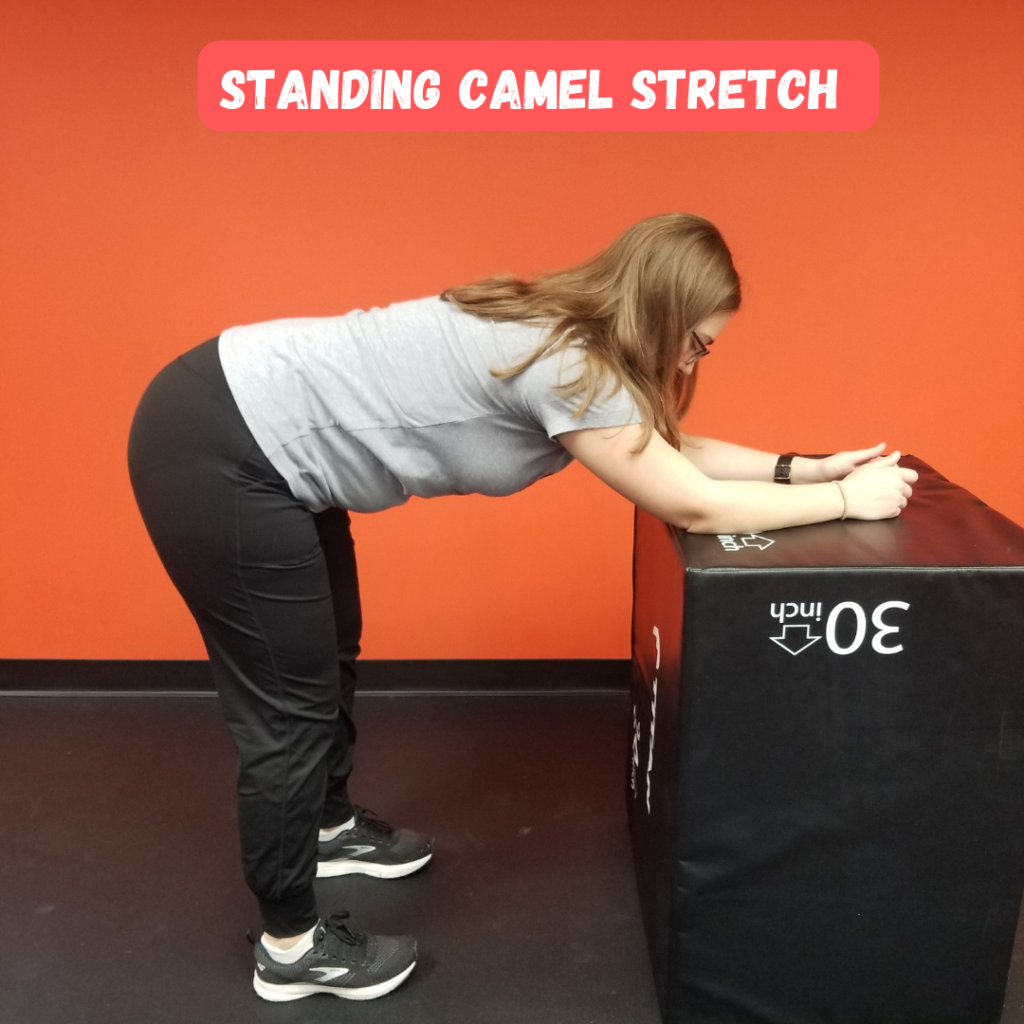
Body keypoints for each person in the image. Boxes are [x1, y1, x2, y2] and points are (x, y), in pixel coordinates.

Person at [126, 212, 916, 1003]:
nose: (692, 358)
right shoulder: (570, 361)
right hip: (221, 444)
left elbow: (654, 443)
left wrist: (801, 471)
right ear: (664, 311)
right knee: (289, 708)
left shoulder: (566, 332)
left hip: (250, 423)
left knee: (329, 647)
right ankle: (290, 946)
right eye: (698, 340)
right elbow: (694, 502)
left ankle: (326, 828)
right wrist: (848, 498)